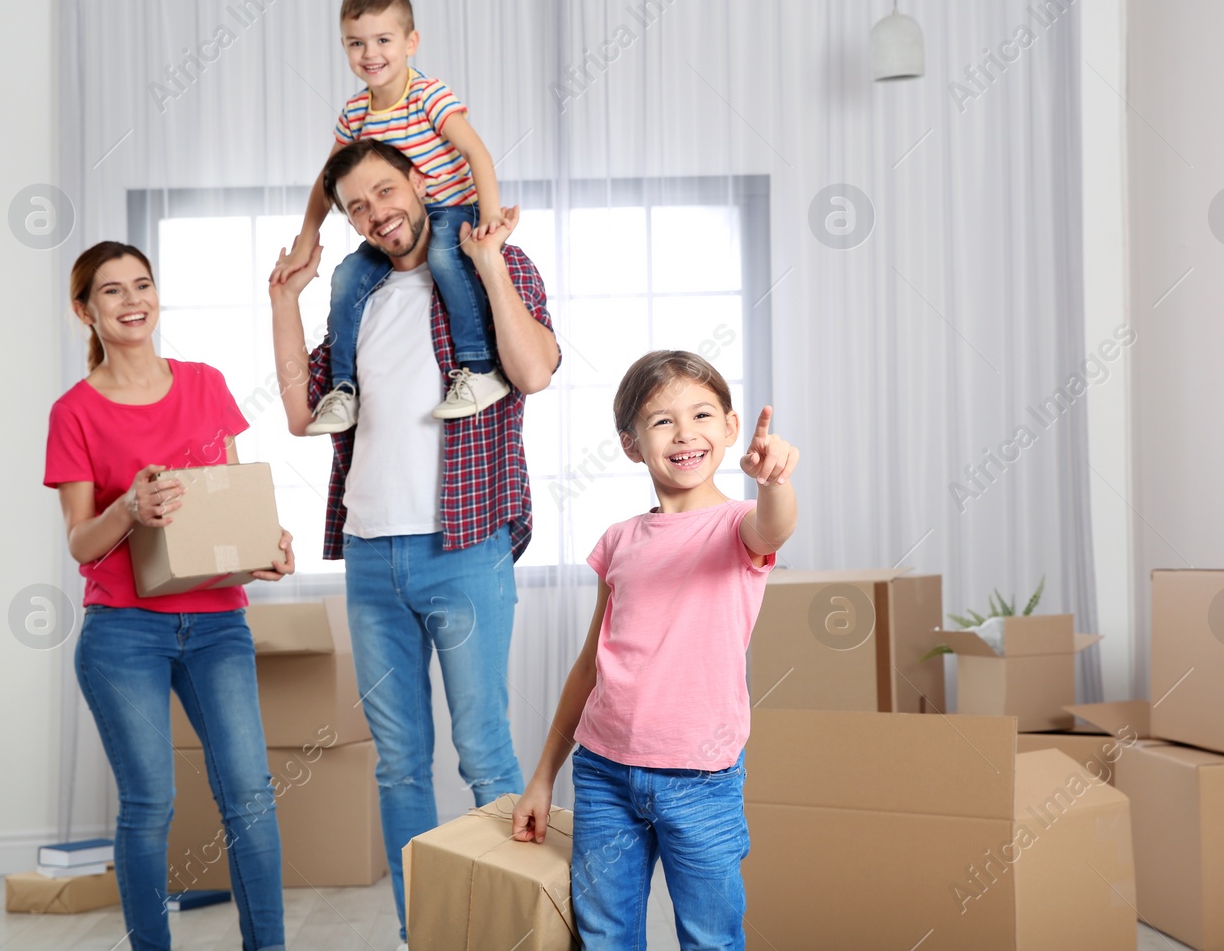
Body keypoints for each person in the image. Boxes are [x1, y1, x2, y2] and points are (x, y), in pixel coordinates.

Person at [268, 137, 560, 948]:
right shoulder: (357, 293)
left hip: (465, 547)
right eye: (357, 206)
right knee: (398, 764)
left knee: (484, 755)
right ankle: (423, 931)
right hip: (370, 555)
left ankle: (508, 930)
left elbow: (533, 372)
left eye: (385, 192)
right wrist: (283, 300)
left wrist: (493, 262)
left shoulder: (482, 265)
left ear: (420, 180)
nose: (376, 214)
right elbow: (302, 412)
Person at [44, 241, 296, 951]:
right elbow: (80, 543)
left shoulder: (206, 384)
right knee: (150, 802)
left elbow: (236, 503)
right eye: (113, 291)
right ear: (85, 310)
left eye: (143, 285)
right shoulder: (75, 412)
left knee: (249, 794)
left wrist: (267, 551)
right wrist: (129, 508)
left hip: (217, 624)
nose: (133, 302)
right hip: (124, 631)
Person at [511, 351, 800, 951]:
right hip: (602, 774)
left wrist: (775, 483)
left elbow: (775, 527)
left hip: (702, 779)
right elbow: (591, 665)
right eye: (662, 420)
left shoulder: (738, 526)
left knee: (709, 938)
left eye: (701, 414)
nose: (685, 432)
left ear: (728, 427)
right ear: (631, 444)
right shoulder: (619, 541)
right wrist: (543, 777)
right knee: (605, 934)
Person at [270, 0, 512, 434]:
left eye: (383, 40)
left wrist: (491, 215)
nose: (370, 53)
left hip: (450, 208)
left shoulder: (428, 96)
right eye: (356, 43)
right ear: (344, 47)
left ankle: (479, 368)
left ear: (410, 42)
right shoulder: (355, 114)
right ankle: (343, 389)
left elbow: (476, 153)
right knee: (346, 276)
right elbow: (328, 184)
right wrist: (306, 239)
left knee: (443, 254)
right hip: (396, 225)